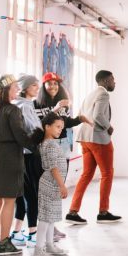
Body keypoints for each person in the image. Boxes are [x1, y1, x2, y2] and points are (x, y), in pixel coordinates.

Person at [33, 72, 92, 241]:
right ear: (43, 86)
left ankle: (51, 226)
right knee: (48, 188)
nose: (53, 87)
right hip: (48, 146)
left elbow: (65, 123)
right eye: (49, 84)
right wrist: (56, 108)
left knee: (58, 188)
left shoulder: (63, 103)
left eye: (56, 84)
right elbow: (40, 124)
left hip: (63, 146)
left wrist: (80, 119)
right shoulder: (36, 103)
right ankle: (43, 228)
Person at [0, 74, 34, 256]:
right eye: (14, 87)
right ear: (7, 90)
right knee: (9, 200)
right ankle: (4, 242)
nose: (17, 90)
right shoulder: (13, 110)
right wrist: (36, 146)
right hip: (10, 155)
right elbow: (20, 136)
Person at [66, 70, 121, 224]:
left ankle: (73, 212)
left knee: (86, 174)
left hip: (84, 138)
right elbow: (98, 116)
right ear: (104, 81)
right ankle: (103, 212)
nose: (114, 82)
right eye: (112, 79)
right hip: (98, 138)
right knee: (107, 173)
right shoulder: (104, 94)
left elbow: (81, 114)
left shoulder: (90, 94)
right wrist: (108, 127)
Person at [31, 113, 70, 256]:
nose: (60, 130)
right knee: (45, 218)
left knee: (51, 217)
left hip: (53, 184)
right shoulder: (50, 144)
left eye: (62, 127)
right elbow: (53, 167)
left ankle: (49, 245)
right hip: (51, 183)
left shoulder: (49, 142)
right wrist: (62, 185)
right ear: (47, 126)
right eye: (57, 126)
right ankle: (38, 250)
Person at [10, 74, 43, 248]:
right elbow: (33, 129)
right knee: (31, 195)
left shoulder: (21, 104)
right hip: (29, 154)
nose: (37, 88)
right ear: (25, 87)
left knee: (22, 195)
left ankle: (16, 232)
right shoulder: (24, 106)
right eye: (34, 85)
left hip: (21, 154)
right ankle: (32, 233)